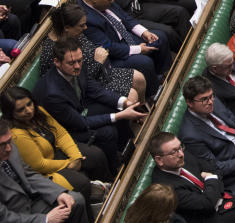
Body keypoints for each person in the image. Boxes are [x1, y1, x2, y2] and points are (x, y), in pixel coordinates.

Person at [33, 37, 146, 175]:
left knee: (119, 107)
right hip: (64, 130)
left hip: (78, 111)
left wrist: (126, 103)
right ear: (57, 62)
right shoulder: (52, 94)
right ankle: (115, 172)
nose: (77, 66)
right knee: (108, 132)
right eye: (71, 63)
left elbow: (96, 91)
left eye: (79, 61)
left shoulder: (78, 67)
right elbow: (80, 123)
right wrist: (119, 116)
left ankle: (127, 150)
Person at [1, 86, 111, 206]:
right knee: (81, 183)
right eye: (21, 109)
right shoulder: (16, 134)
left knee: (96, 155)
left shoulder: (39, 111)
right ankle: (95, 209)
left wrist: (75, 156)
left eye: (29, 104)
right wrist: (69, 163)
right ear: (10, 113)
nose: (29, 110)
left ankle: (109, 191)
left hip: (58, 152)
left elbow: (61, 134)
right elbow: (40, 165)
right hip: (47, 169)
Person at [0, 119, 89, 223]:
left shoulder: (8, 145)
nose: (9, 148)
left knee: (76, 200)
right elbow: (4, 218)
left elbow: (27, 174)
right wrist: (45, 219)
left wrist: (58, 193)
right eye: (2, 145)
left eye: (9, 141)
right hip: (16, 214)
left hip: (32, 199)